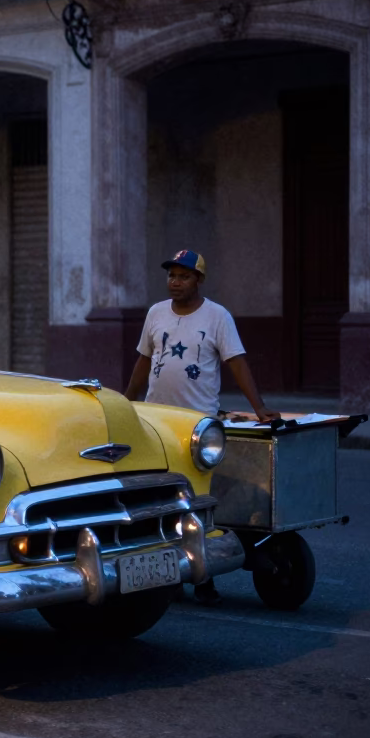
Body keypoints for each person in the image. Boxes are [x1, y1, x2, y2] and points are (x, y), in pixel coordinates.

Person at [124, 249, 279, 606]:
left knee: (197, 504)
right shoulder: (155, 313)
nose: (175, 282)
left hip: (196, 425)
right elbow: (143, 362)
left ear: (199, 280)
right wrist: (125, 404)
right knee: (162, 500)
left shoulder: (217, 316)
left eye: (184, 276)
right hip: (155, 421)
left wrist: (259, 408)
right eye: (171, 276)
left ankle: (203, 577)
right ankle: (170, 575)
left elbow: (236, 362)